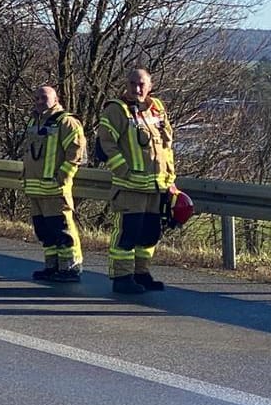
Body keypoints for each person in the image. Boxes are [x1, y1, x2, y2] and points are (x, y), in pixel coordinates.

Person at [98, 67, 176, 296]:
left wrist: (170, 178)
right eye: (132, 84)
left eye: (141, 84)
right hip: (130, 187)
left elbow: (166, 147)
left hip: (156, 187)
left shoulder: (157, 108)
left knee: (150, 233)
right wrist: (123, 170)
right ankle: (122, 277)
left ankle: (141, 273)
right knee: (127, 233)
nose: (137, 89)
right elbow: (106, 144)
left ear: (150, 86)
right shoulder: (117, 110)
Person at [17, 85, 87, 283]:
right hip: (35, 187)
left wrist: (63, 177)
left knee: (62, 229)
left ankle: (70, 268)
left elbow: (76, 153)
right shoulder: (34, 120)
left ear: (56, 99)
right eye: (36, 97)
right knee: (45, 231)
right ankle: (52, 265)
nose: (39, 101)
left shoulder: (67, 122)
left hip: (54, 188)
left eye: (44, 97)